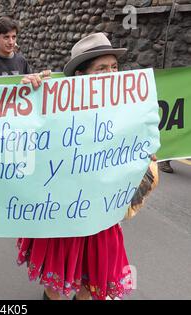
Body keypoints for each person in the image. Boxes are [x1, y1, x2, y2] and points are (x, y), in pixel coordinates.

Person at [18, 33, 158, 300]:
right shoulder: (57, 105)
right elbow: (26, 132)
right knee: (55, 280)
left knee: (89, 283)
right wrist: (29, 91)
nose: (110, 74)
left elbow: (141, 145)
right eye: (101, 69)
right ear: (81, 76)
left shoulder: (128, 109)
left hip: (100, 216)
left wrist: (144, 154)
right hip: (62, 212)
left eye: (114, 68)